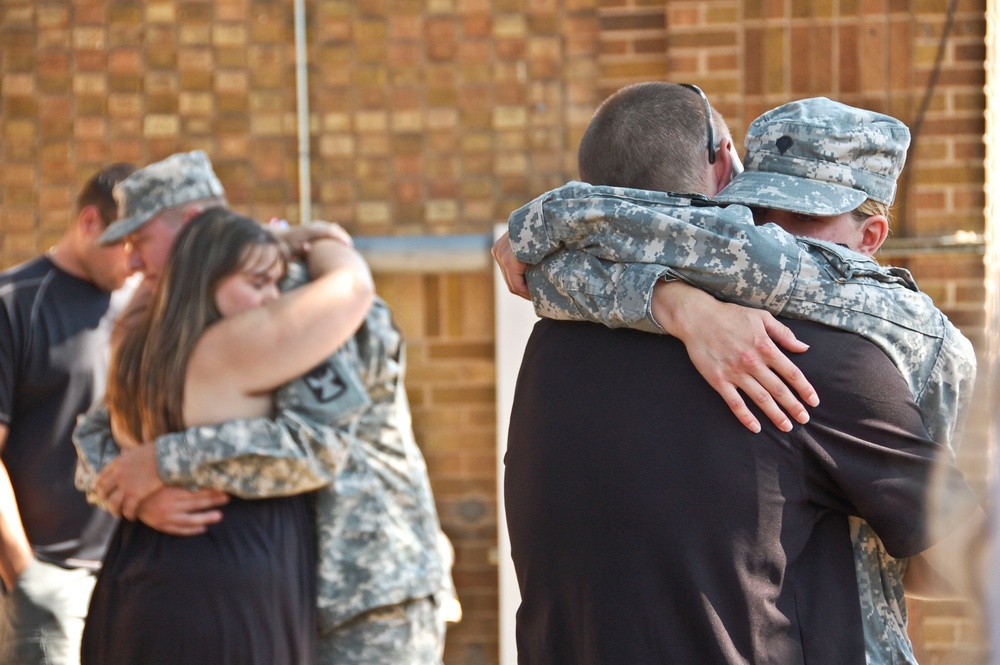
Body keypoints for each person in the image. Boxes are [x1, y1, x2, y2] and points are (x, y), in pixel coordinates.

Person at [496, 84, 980, 662]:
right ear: (724, 185)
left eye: (804, 216)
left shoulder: (562, 324)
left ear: (869, 237)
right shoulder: (820, 356)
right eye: (753, 212)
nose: (769, 235)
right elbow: (965, 562)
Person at [73, 150, 459, 664]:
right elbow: (105, 425)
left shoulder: (293, 295)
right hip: (271, 592)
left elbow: (316, 446)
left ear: (191, 224)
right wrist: (132, 492)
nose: (133, 262)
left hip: (366, 594)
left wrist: (164, 461)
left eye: (140, 240)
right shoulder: (184, 315)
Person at [81, 208, 374, 664]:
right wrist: (326, 241)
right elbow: (353, 290)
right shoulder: (231, 347)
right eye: (258, 284)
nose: (273, 299)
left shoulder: (131, 342)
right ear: (202, 278)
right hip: (224, 591)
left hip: (132, 573)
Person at [0, 163, 135, 665]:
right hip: (51, 580)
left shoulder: (140, 308)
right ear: (89, 223)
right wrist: (25, 575)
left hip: (135, 577)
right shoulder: (13, 303)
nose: (136, 260)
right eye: (126, 243)